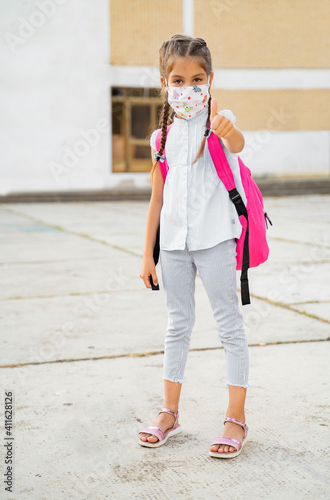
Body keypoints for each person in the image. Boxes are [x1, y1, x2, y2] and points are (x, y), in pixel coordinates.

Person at [138, 34, 250, 458]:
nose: (189, 88)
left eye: (197, 79)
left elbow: (237, 144)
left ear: (210, 79)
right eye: (179, 80)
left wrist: (228, 129)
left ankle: (235, 419)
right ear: (165, 83)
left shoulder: (221, 120)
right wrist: (147, 253)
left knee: (229, 327)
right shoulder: (159, 138)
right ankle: (169, 412)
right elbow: (157, 199)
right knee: (176, 326)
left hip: (216, 240)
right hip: (174, 248)